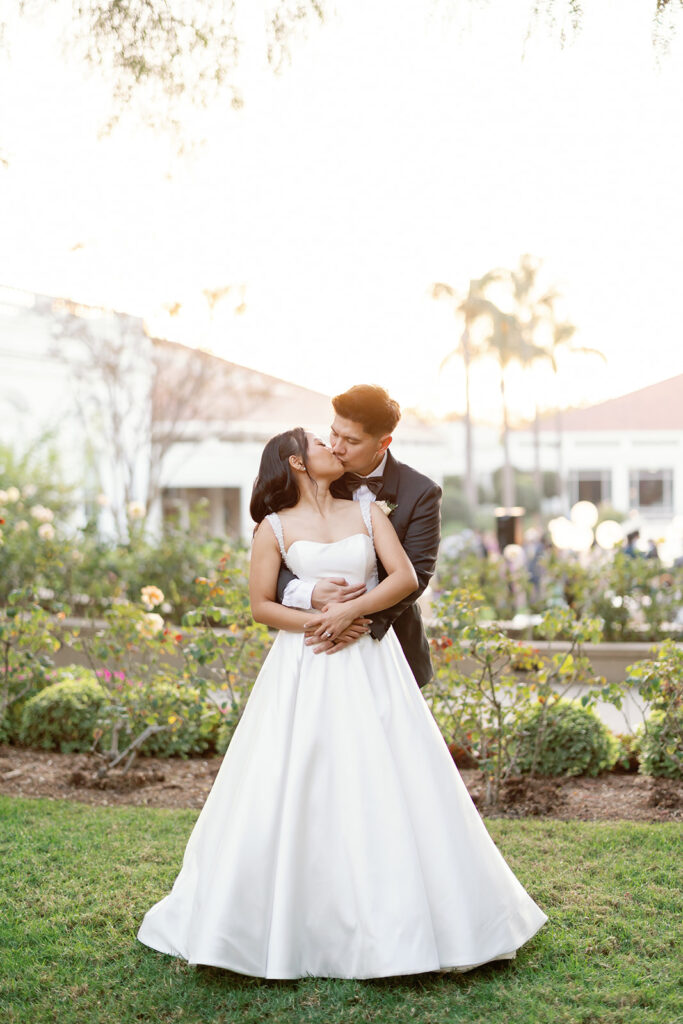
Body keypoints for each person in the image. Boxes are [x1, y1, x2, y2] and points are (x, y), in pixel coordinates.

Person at [137, 427, 547, 979]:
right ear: (296, 463)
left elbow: (404, 576)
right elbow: (260, 605)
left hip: (372, 666)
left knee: (387, 779)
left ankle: (412, 921)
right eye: (319, 442)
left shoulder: (367, 508)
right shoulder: (273, 529)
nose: (332, 446)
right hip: (305, 665)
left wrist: (352, 616)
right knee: (299, 779)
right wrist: (319, 618)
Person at [279, 384, 442, 688]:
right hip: (315, 644)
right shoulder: (316, 477)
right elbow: (278, 555)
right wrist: (308, 595)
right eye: (334, 434)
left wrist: (356, 619)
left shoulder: (421, 493)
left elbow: (416, 575)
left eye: (351, 440)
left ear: (383, 443)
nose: (337, 447)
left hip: (390, 642)